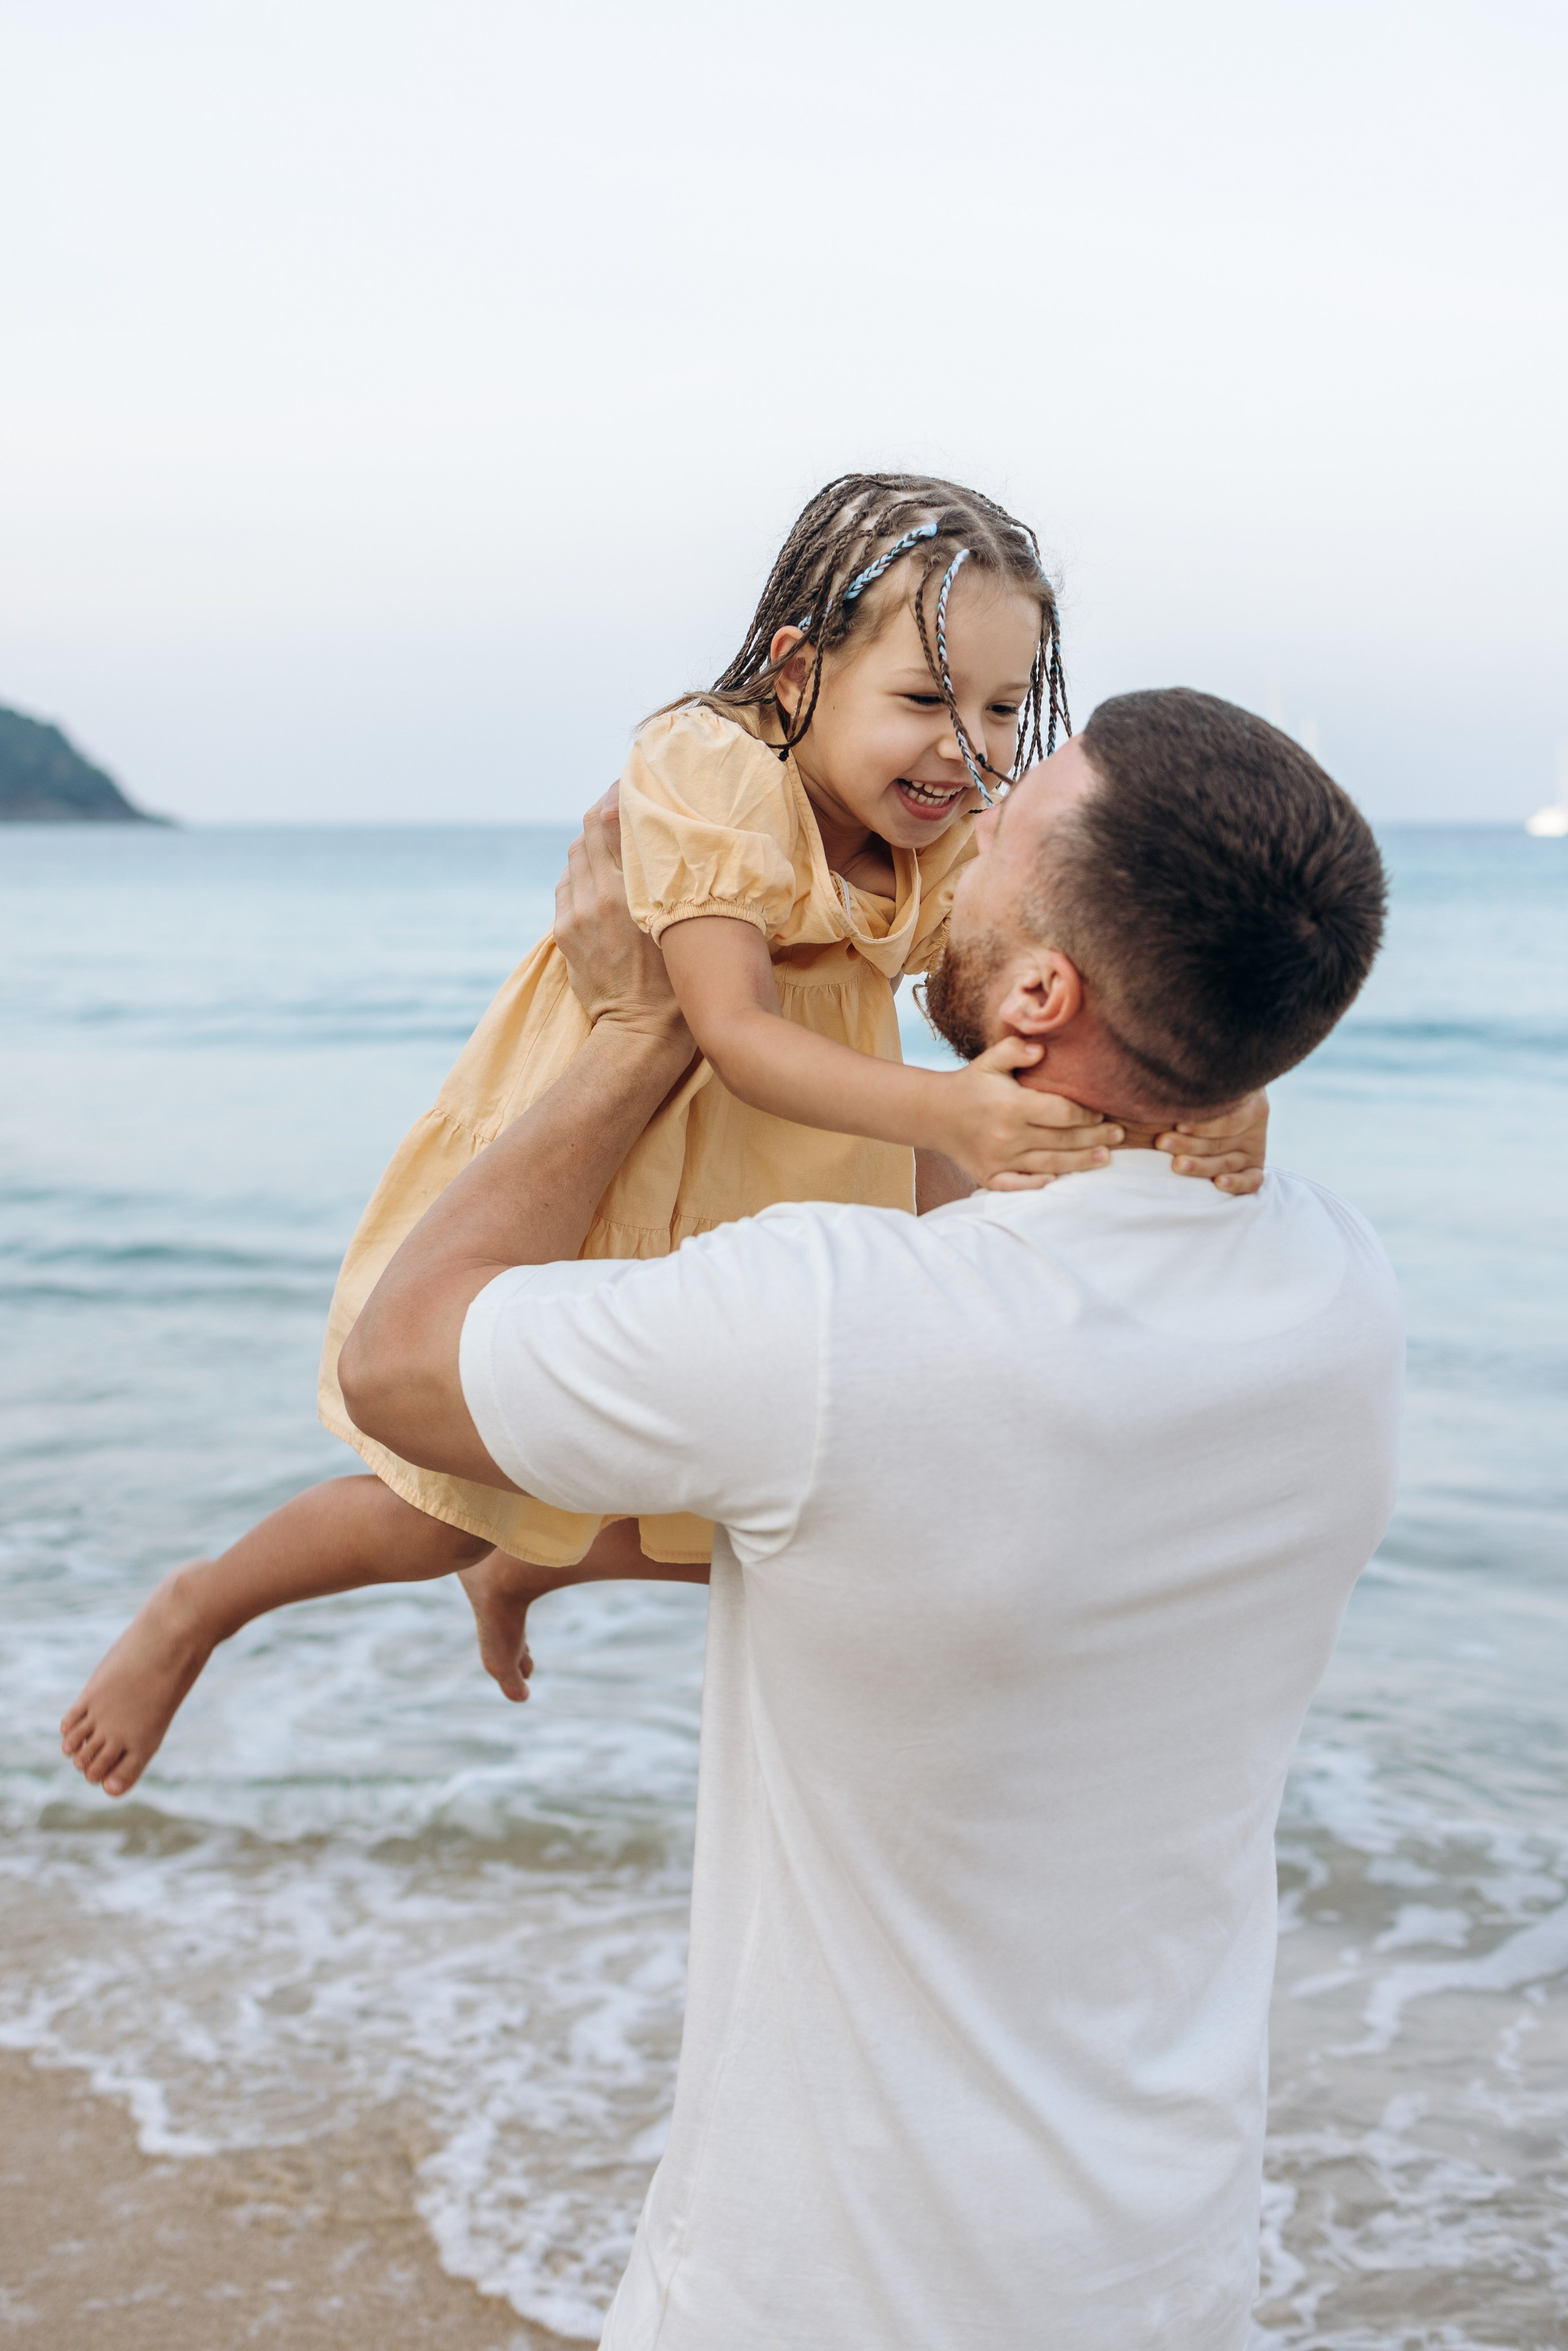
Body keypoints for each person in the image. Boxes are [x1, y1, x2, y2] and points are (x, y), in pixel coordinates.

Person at [337, 687, 1401, 2350]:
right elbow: (968, 1449)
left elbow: (399, 1360)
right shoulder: (1340, 1284)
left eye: (1012, 826)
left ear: (1046, 990)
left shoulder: (839, 1328)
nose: (966, 826)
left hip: (821, 2292)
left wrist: (645, 1020)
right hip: (1160, 2272)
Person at [61, 475, 1263, 1797]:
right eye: (922, 700)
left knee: (781, 1506)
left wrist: (1199, 1090)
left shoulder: (936, 830)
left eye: (995, 706)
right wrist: (947, 1108)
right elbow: (732, 1030)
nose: (962, 748)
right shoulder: (713, 768)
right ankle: (201, 1606)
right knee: (427, 1513)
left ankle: (536, 1556)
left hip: (794, 1167)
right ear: (798, 671)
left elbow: (1035, 974)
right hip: (632, 1150)